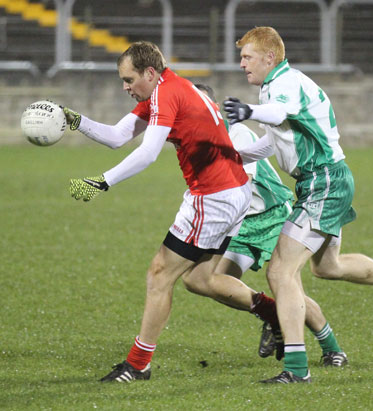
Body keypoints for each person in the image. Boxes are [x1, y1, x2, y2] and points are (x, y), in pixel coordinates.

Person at [64, 41, 286, 383]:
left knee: (159, 274)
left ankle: (138, 365)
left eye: (128, 79)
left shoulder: (167, 94)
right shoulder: (168, 88)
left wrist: (102, 181)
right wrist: (75, 121)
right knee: (199, 279)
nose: (125, 87)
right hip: (235, 190)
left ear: (149, 73)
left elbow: (148, 153)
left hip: (213, 196)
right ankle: (275, 314)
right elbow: (117, 136)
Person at [223, 26, 373, 384]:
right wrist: (233, 156)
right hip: (325, 180)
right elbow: (276, 142)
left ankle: (297, 368)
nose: (241, 63)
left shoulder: (283, 85)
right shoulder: (277, 86)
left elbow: (276, 113)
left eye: (247, 57)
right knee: (328, 266)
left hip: (324, 180)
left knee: (279, 272)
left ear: (269, 57)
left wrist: (249, 110)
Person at [187, 84, 347, 367]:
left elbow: (238, 185)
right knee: (205, 280)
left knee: (285, 283)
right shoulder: (194, 142)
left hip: (271, 214)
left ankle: (331, 348)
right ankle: (273, 315)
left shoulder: (235, 133)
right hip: (241, 221)